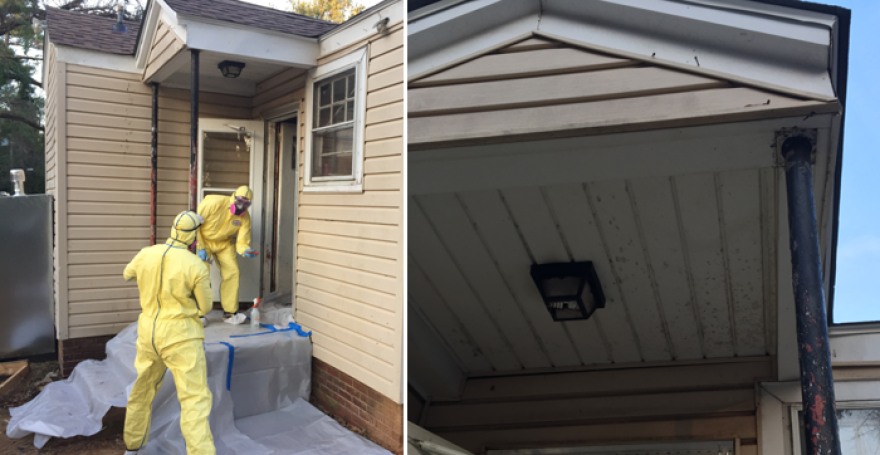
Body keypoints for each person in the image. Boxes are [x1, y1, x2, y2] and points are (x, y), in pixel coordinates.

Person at [122, 211, 215, 455]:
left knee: (142, 389)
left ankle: (132, 445)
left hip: (148, 332)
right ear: (193, 235)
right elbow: (205, 307)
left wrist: (151, 282)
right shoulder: (195, 264)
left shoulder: (146, 253)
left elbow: (127, 274)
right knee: (194, 398)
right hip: (181, 336)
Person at [195, 185, 259, 315]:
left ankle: (230, 312)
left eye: (246, 203)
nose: (241, 206)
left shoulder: (244, 217)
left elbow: (242, 240)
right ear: (233, 197)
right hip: (203, 241)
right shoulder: (213, 203)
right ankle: (199, 314)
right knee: (202, 275)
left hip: (223, 244)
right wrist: (200, 247)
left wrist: (245, 250)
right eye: (239, 201)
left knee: (233, 273)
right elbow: (195, 225)